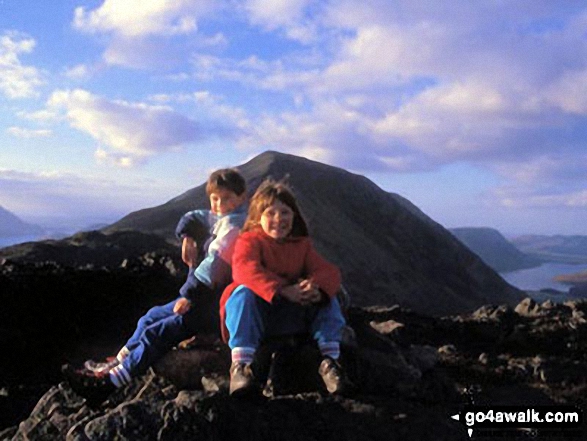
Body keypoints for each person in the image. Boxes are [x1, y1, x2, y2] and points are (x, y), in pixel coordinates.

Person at [63, 168, 248, 403]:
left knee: (157, 332)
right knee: (149, 318)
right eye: (215, 198)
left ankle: (108, 384)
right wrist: (188, 236)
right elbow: (192, 216)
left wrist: (188, 296)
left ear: (242, 197)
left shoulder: (234, 228)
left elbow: (211, 269)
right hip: (204, 298)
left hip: (214, 304)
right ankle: (114, 364)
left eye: (228, 198)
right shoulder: (221, 217)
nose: (221, 204)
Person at [220, 179, 348, 396]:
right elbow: (244, 270)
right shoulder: (249, 241)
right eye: (270, 213)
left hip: (288, 318)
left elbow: (329, 272)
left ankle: (330, 363)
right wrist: (282, 289)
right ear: (258, 218)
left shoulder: (301, 245)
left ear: (294, 216)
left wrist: (315, 287)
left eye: (285, 212)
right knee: (243, 293)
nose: (278, 219)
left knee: (328, 297)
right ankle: (241, 367)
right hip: (257, 318)